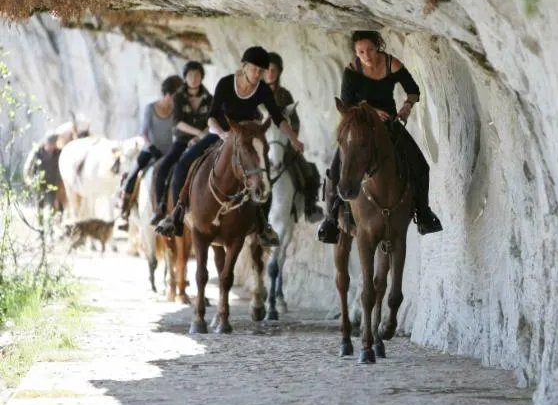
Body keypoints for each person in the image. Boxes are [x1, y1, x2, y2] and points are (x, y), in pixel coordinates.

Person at [154, 46, 305, 246]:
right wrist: (224, 134)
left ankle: (263, 225)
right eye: (254, 69)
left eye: (262, 71)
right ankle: (177, 213)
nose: (258, 74)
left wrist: (294, 139)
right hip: (222, 134)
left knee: (264, 177)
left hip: (248, 139)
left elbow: (277, 117)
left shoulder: (262, 89)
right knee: (184, 164)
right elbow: (211, 118)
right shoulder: (226, 83)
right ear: (244, 67)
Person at [317, 30, 443, 243]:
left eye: (370, 50)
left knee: (421, 165)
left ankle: (423, 214)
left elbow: (413, 90)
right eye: (360, 51)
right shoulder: (352, 71)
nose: (366, 55)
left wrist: (407, 106)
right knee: (336, 167)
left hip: (389, 124)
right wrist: (373, 111)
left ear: (378, 47)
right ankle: (330, 220)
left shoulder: (392, 65)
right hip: (358, 126)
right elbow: (347, 105)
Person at [150, 61, 213, 225]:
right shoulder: (178, 97)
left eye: (197, 75)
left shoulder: (210, 98)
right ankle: (162, 208)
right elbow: (177, 122)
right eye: (190, 75)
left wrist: (202, 136)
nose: (194, 78)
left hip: (204, 141)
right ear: (185, 77)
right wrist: (198, 133)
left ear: (202, 77)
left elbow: (212, 120)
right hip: (183, 140)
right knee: (164, 167)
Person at [117, 74, 183, 230]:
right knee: (133, 174)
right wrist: (151, 146)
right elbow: (143, 132)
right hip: (151, 149)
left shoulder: (176, 112)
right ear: (167, 95)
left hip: (170, 150)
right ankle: (123, 213)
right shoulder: (150, 108)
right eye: (175, 96)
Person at [265, 52, 323, 222]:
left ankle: (310, 208)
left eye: (274, 70)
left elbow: (295, 122)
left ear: (279, 72)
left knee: (309, 170)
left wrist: (292, 139)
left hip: (282, 142)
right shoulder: (255, 94)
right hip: (260, 144)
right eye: (267, 70)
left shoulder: (284, 95)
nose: (270, 73)